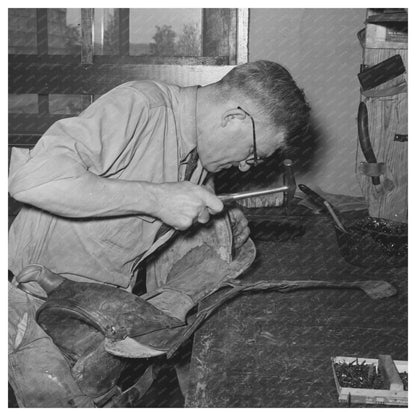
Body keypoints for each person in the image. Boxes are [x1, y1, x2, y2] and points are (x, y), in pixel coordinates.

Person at [8, 60, 310, 407]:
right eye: (254, 154)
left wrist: (220, 223)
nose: (246, 165)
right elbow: (32, 181)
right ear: (234, 118)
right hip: (28, 305)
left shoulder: (197, 160)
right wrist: (156, 198)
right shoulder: (140, 106)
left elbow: (156, 234)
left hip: (94, 316)